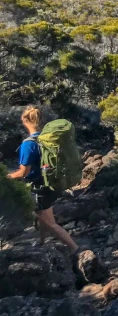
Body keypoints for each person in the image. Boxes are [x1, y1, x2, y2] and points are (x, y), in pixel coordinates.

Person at [7, 106, 79, 253]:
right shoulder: (48, 138)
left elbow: (23, 173)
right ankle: (42, 243)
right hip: (54, 183)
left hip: (41, 188)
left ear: (25, 120)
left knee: (51, 223)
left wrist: (6, 177)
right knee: (43, 215)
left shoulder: (28, 144)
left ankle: (76, 249)